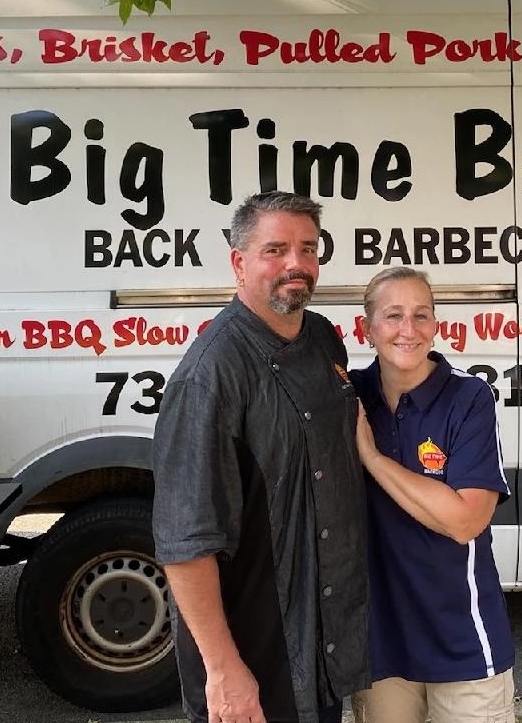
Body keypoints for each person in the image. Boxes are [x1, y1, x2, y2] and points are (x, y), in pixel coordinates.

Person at [151, 191, 368, 723]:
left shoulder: (321, 338)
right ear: (238, 262)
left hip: (322, 642)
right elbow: (185, 544)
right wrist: (223, 670)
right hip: (256, 652)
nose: (296, 264)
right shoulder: (210, 375)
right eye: (276, 249)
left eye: (308, 249)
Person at [350, 266, 516, 723]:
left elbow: (465, 520)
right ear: (367, 329)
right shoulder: (350, 396)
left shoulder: (468, 398)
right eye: (393, 316)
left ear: (437, 325)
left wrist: (374, 458)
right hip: (382, 644)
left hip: (462, 639)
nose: (409, 330)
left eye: (422, 315)